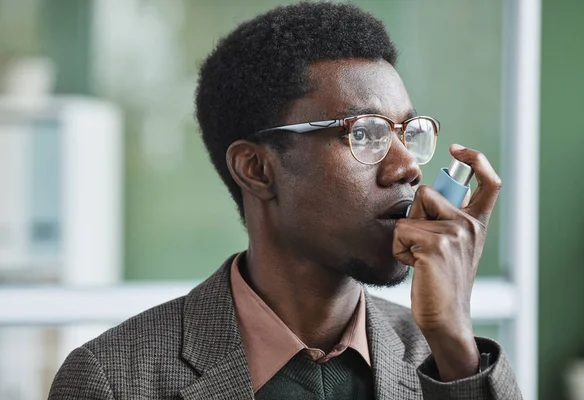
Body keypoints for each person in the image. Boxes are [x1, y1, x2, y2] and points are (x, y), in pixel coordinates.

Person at [49, 3, 522, 399]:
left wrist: (455, 346)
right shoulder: (113, 379)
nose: (407, 168)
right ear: (256, 169)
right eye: (365, 133)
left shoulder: (444, 358)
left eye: (407, 133)